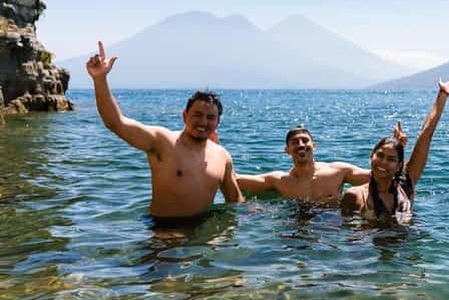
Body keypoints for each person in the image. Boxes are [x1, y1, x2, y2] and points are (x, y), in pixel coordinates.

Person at [86, 41, 243, 220]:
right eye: (197, 115)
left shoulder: (222, 156)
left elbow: (235, 201)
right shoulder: (163, 142)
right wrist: (100, 79)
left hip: (202, 233)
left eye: (210, 117)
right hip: (165, 232)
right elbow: (115, 123)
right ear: (184, 116)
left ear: (218, 122)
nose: (203, 122)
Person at [341, 78, 449, 222]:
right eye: (380, 155)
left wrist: (442, 96)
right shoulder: (354, 195)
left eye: (391, 159)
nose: (383, 162)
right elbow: (344, 232)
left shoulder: (405, 184)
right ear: (371, 156)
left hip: (408, 243)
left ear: (399, 166)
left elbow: (425, 136)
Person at [235, 126, 372, 206]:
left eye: (305, 140)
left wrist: (394, 147)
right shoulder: (279, 181)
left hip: (332, 226)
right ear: (287, 150)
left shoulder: (338, 171)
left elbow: (377, 176)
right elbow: (236, 180)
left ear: (314, 146)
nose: (301, 144)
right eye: (295, 142)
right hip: (296, 224)